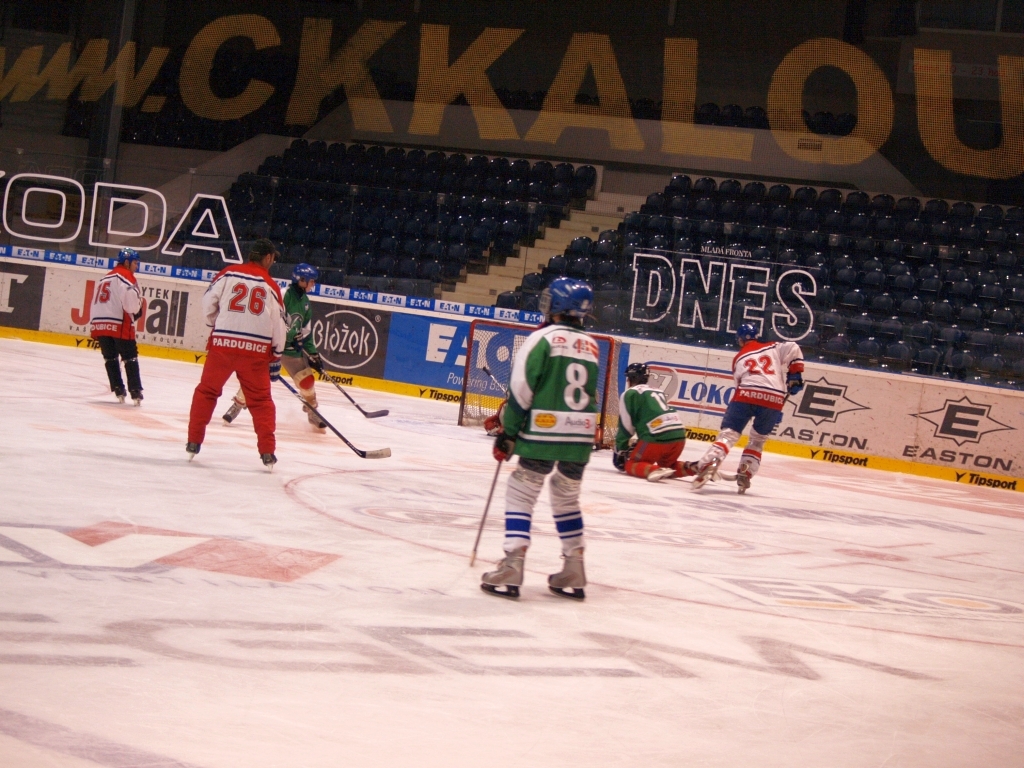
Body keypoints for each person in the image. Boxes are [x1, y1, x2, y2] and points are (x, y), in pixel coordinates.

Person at [482, 276, 598, 600]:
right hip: (581, 433)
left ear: (557, 305)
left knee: (522, 490)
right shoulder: (591, 345)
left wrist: (508, 432)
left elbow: (521, 390)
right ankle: (574, 566)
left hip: (545, 430)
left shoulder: (541, 338)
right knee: (566, 495)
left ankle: (512, 563)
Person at [186, 239, 287, 469]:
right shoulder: (271, 285)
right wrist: (276, 353)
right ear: (268, 258)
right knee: (261, 402)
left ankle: (193, 441)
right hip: (255, 351)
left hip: (223, 345)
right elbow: (279, 325)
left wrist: (214, 324)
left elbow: (208, 303)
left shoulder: (227, 273)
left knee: (206, 391)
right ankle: (267, 453)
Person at [685, 323, 804, 493]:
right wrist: (795, 375)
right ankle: (746, 472)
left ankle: (710, 462)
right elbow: (793, 347)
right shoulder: (772, 347)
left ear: (740, 340)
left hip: (746, 394)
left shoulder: (739, 357)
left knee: (729, 434)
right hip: (774, 399)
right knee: (758, 439)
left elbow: (739, 384)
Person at [222, 262, 326, 431]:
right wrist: (289, 335)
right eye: (311, 281)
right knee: (257, 378)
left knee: (307, 380)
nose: (313, 284)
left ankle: (312, 411)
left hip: (290, 350)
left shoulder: (306, 303)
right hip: (272, 346)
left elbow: (306, 332)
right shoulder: (283, 294)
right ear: (301, 280)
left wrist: (313, 354)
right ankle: (238, 404)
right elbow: (272, 318)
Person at [614, 362, 694, 483]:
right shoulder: (658, 391)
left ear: (631, 378)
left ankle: (655, 470)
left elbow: (626, 427)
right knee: (668, 465)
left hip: (655, 437)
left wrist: (621, 448)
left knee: (631, 464)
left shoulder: (630, 393)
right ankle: (695, 467)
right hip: (679, 436)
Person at [90, 247, 144, 405]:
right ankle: (135, 391)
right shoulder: (126, 276)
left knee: (110, 357)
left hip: (100, 323)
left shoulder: (105, 277)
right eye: (135, 263)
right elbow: (131, 305)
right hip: (118, 322)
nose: (136, 266)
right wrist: (137, 309)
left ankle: (118, 389)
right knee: (130, 356)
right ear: (127, 262)